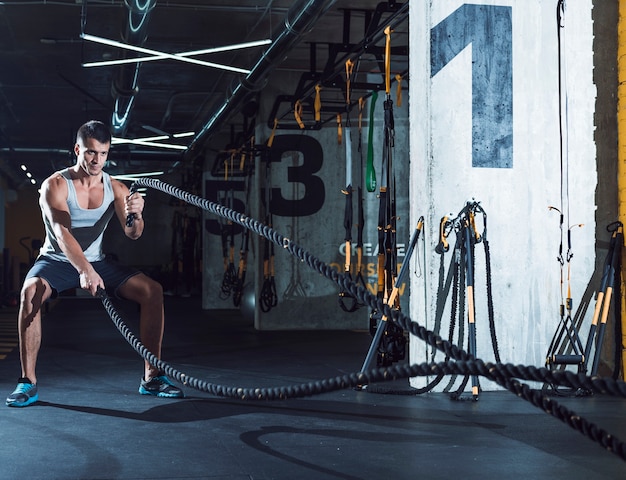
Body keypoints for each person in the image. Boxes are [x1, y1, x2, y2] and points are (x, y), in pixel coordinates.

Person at [6, 120, 183, 407]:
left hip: (97, 261)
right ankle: (28, 383)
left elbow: (133, 234)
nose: (96, 160)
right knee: (30, 292)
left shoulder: (115, 188)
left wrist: (137, 214)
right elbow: (62, 233)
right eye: (90, 152)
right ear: (78, 149)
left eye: (102, 153)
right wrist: (84, 269)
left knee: (152, 290)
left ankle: (152, 377)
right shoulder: (55, 185)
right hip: (56, 260)